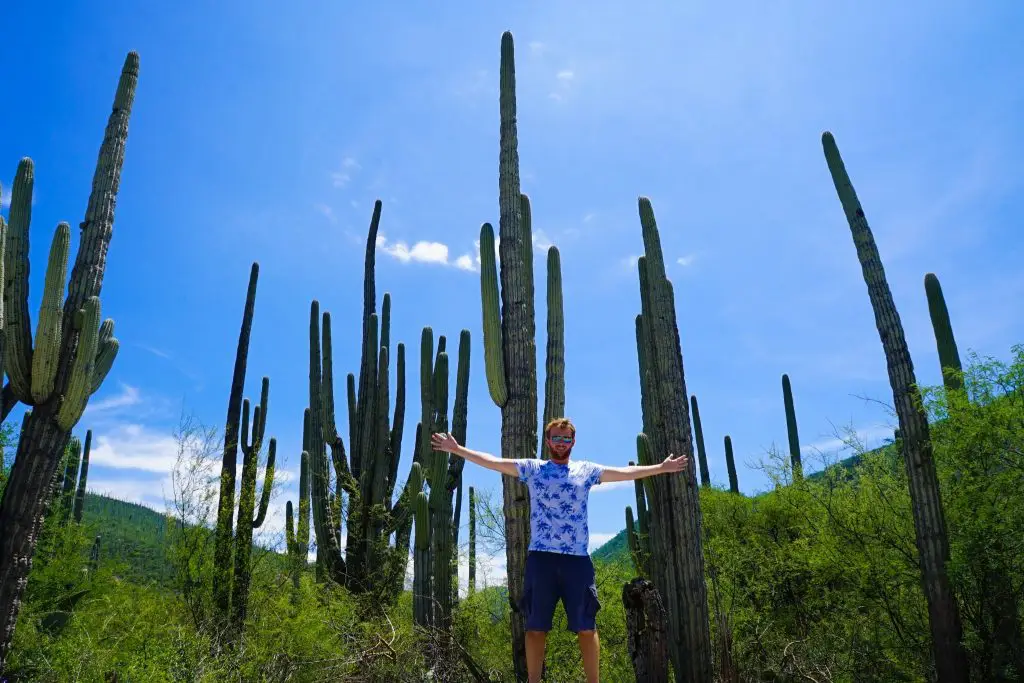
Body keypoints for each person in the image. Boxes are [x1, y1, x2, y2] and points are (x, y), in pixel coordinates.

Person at [430, 416, 688, 683]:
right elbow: (494, 462)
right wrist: (457, 450)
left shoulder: (586, 471)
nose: (562, 444)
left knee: (587, 626)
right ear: (547, 441)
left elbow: (624, 472)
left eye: (566, 439)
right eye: (556, 438)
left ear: (573, 442)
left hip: (577, 561)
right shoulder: (533, 469)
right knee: (535, 627)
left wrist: (661, 467)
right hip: (541, 559)